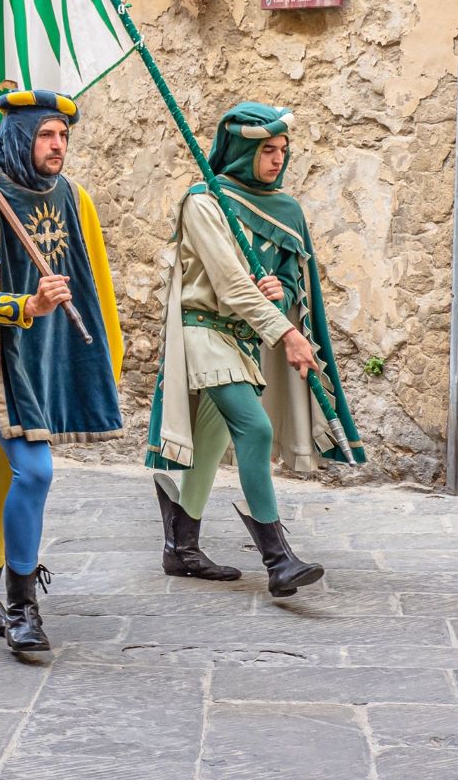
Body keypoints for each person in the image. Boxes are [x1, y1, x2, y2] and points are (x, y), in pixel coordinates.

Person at [147, 102, 364, 597]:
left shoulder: (280, 208)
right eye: (267, 150)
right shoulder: (204, 202)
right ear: (244, 151)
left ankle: (181, 547)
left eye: (283, 151)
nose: (277, 160)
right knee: (254, 426)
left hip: (242, 338)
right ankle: (278, 558)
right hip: (205, 332)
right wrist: (287, 334)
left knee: (211, 444)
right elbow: (228, 285)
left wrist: (280, 294)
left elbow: (288, 281)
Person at [0, 90, 123, 653]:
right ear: (19, 138)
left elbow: (88, 276)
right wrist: (28, 306)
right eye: (47, 135)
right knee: (35, 470)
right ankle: (21, 607)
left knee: (12, 467)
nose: (58, 145)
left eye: (64, 135)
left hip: (47, 357)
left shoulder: (69, 196)